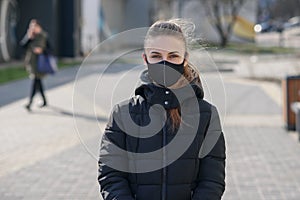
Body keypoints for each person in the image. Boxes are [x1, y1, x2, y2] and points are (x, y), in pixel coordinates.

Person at [98, 19, 226, 200]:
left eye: (173, 56)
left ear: (185, 59)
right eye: (156, 56)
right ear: (145, 59)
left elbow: (212, 181)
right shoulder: (122, 113)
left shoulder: (206, 115)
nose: (165, 63)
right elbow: (111, 176)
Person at [20, 19, 48, 111]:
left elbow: (48, 48)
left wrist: (41, 50)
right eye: (31, 26)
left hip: (40, 63)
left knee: (35, 82)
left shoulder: (43, 35)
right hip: (32, 63)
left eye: (34, 26)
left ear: (38, 27)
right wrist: (28, 37)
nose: (33, 28)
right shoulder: (30, 37)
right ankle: (44, 101)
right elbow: (22, 46)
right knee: (38, 82)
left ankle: (30, 103)